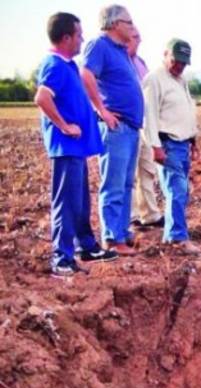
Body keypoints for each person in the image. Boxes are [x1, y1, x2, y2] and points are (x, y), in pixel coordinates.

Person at [34, 12, 118, 277]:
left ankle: (86, 246)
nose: (82, 40)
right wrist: (64, 125)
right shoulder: (54, 64)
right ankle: (61, 257)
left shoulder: (68, 65)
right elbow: (42, 98)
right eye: (79, 35)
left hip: (76, 148)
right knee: (67, 203)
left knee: (80, 201)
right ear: (66, 37)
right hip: (66, 146)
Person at [81, 4, 143, 255]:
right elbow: (86, 75)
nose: (132, 26)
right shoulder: (100, 45)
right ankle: (111, 238)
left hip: (130, 127)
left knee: (126, 183)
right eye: (129, 22)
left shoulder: (121, 51)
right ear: (115, 24)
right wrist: (102, 110)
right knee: (114, 184)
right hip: (116, 127)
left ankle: (121, 231)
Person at [142, 39, 201, 255]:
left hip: (182, 143)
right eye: (176, 61)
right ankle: (178, 238)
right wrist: (155, 147)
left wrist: (193, 140)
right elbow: (149, 117)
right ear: (166, 54)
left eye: (184, 63)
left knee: (180, 191)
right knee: (177, 189)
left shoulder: (180, 80)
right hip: (167, 143)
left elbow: (185, 111)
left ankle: (171, 235)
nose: (179, 66)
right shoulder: (155, 79)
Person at [127, 28, 164, 229]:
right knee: (129, 174)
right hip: (127, 124)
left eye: (139, 37)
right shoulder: (118, 63)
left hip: (145, 124)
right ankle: (131, 216)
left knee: (147, 170)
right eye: (134, 37)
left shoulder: (140, 63)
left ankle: (150, 214)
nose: (138, 41)